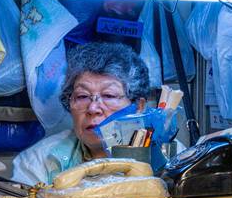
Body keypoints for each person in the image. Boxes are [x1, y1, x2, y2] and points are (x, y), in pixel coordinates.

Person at [12, 42, 154, 185]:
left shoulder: (167, 156)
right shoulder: (38, 161)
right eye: (82, 96)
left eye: (109, 95)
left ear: (138, 106)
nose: (93, 108)